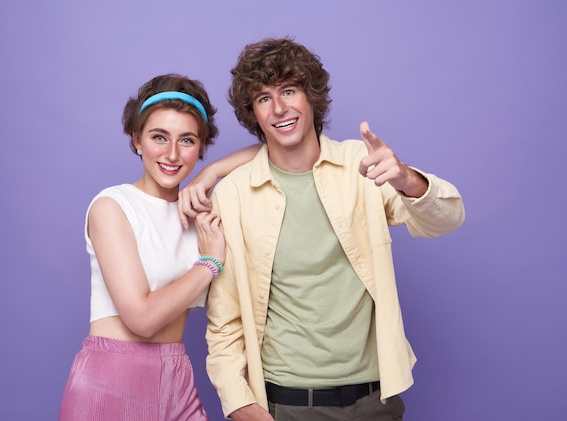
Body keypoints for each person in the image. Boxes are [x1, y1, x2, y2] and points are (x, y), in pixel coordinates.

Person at [182, 38, 465, 420]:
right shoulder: (233, 194)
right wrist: (240, 404)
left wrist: (407, 179)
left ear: (311, 96)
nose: (279, 107)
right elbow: (224, 321)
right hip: (288, 406)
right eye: (263, 98)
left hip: (375, 401)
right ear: (254, 113)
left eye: (288, 90)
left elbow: (447, 218)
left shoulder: (361, 166)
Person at [59, 74, 258, 421]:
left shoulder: (200, 212)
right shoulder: (113, 206)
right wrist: (209, 264)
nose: (171, 153)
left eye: (187, 141)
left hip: (176, 375)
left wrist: (211, 173)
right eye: (159, 137)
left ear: (201, 147)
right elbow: (142, 318)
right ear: (137, 140)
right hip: (110, 381)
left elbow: (278, 148)